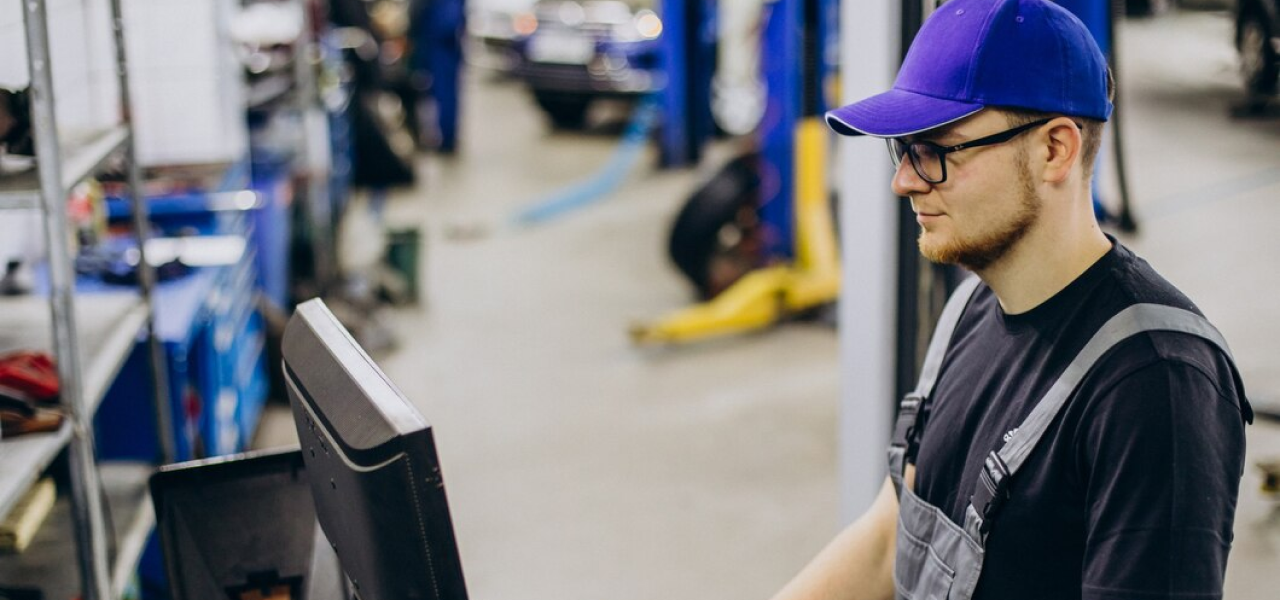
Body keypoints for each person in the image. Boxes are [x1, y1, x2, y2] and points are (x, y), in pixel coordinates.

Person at [772, 0, 1254, 599]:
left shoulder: (1154, 386)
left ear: (1055, 150)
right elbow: (886, 540)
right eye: (904, 149)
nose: (905, 181)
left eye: (937, 151)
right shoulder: (967, 312)